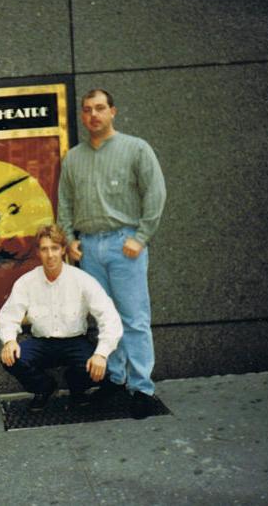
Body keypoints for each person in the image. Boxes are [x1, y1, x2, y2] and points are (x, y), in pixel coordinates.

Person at [57, 89, 166, 419]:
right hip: (89, 247)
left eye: (100, 109)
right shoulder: (73, 158)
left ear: (113, 112)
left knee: (134, 318)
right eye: (87, 110)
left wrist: (142, 236)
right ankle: (115, 379)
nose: (94, 115)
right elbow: (64, 202)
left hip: (124, 246)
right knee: (105, 316)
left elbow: (156, 193)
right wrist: (69, 239)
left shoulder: (136, 149)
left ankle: (143, 388)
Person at [0, 224, 122, 411]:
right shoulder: (27, 281)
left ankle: (77, 388)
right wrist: (9, 341)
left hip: (75, 342)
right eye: (44, 249)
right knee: (11, 358)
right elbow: (9, 315)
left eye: (55, 248)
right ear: (38, 252)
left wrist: (101, 354)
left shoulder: (81, 279)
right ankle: (44, 387)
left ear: (63, 249)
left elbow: (109, 316)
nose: (50, 255)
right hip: (42, 344)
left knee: (103, 371)